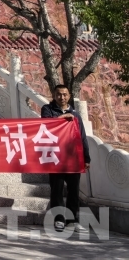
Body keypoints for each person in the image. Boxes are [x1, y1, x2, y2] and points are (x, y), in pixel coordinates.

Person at [42, 84, 91, 232]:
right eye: (59, 94)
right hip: (55, 156)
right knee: (56, 189)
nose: (62, 97)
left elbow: (82, 137)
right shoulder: (48, 109)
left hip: (73, 157)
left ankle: (72, 220)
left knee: (73, 190)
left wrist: (86, 157)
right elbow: (47, 125)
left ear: (69, 96)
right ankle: (58, 219)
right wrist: (63, 117)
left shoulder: (76, 115)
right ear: (54, 95)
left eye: (64, 94)